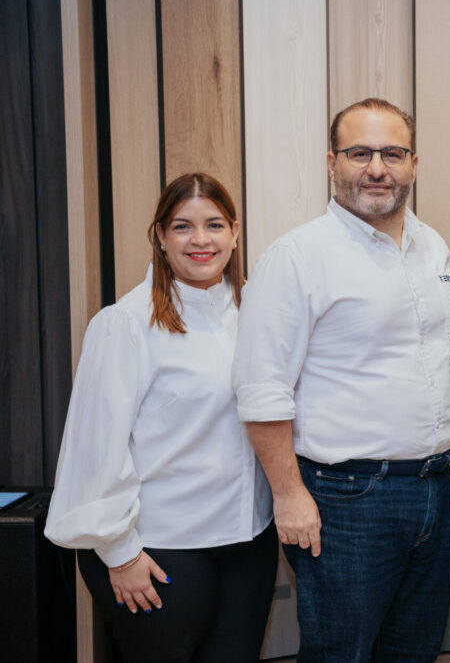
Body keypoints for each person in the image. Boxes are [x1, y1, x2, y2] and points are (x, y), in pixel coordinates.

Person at [232, 97, 450, 662]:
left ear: (414, 162)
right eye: (360, 153)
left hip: (433, 491)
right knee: (341, 652)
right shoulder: (296, 257)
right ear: (331, 161)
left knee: (414, 649)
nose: (377, 168)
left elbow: (449, 354)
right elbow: (261, 388)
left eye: (392, 153)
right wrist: (289, 495)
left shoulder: (431, 245)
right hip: (346, 501)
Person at [44, 173, 277, 662]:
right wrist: (119, 551)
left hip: (249, 541)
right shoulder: (126, 324)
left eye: (214, 225)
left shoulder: (259, 310)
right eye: (182, 227)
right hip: (160, 549)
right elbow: (95, 447)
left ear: (235, 233)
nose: (200, 240)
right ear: (159, 236)